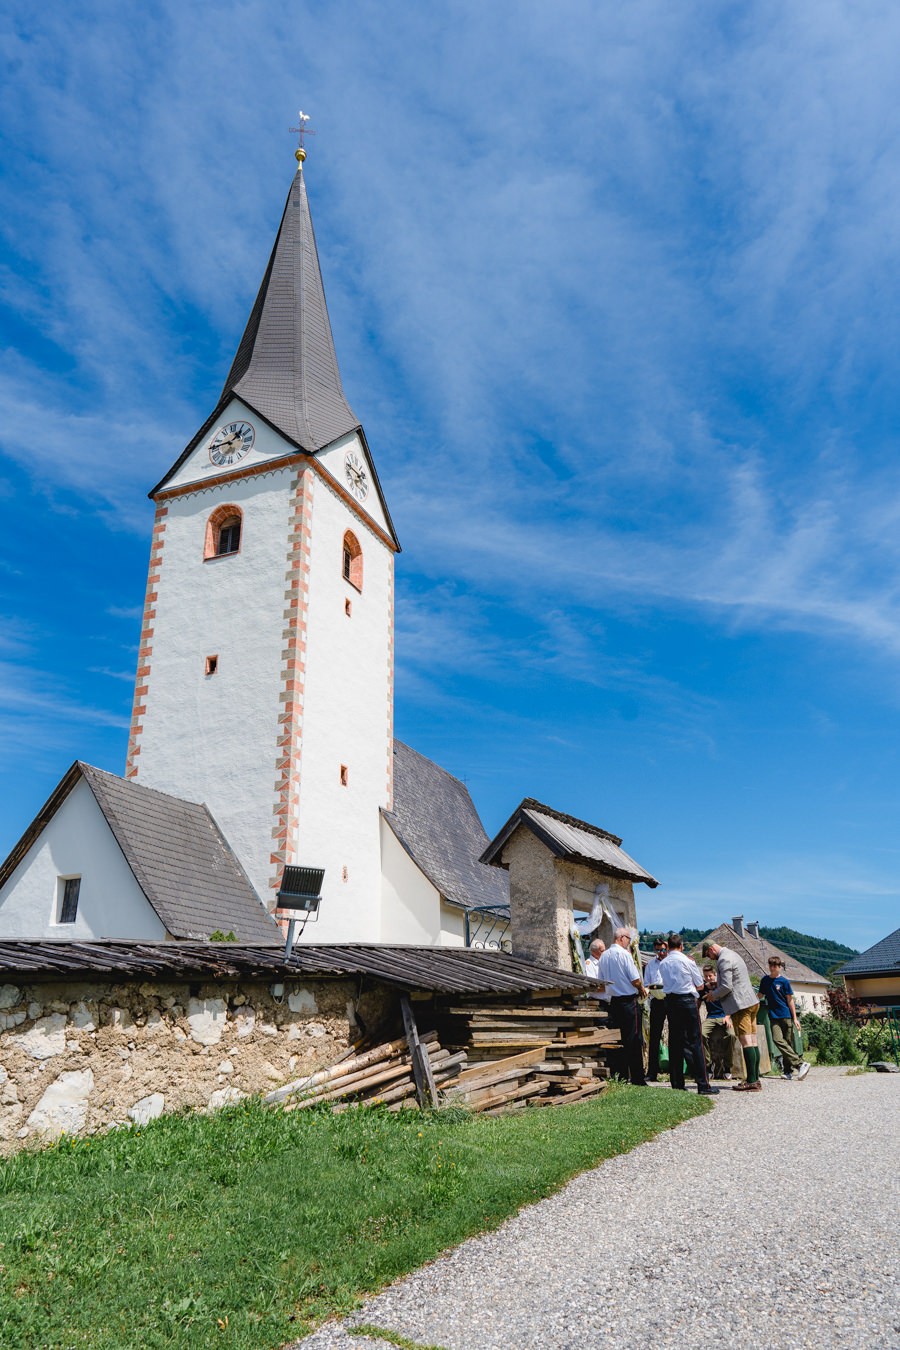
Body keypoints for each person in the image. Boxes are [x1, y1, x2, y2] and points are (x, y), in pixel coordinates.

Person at [659, 933, 719, 1095]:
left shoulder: (663, 964)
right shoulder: (687, 961)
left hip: (670, 1002)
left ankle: (677, 1083)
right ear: (682, 946)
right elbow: (700, 986)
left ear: (668, 946)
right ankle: (702, 1084)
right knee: (695, 1042)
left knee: (675, 1042)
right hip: (687, 1001)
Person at [702, 939, 762, 1092]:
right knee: (753, 1040)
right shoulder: (733, 954)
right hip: (751, 1001)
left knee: (746, 1041)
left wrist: (712, 995)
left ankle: (752, 1081)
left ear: (711, 949)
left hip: (741, 1005)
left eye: (708, 954)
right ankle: (754, 1078)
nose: (710, 957)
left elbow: (727, 986)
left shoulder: (723, 959)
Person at [597, 927, 647, 1086]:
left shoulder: (604, 956)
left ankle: (622, 1075)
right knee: (634, 1039)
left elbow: (602, 981)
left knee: (619, 1040)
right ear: (622, 938)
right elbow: (635, 979)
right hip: (628, 1001)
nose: (629, 942)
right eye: (628, 939)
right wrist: (641, 989)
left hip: (614, 1002)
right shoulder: (624, 954)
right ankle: (638, 1077)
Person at [759, 957, 810, 1081]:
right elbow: (759, 995)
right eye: (770, 965)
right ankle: (800, 1063)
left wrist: (795, 1018)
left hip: (786, 1015)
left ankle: (788, 1072)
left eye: (775, 966)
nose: (772, 968)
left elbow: (790, 1001)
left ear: (779, 967)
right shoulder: (765, 981)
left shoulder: (784, 982)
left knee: (787, 1044)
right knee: (777, 1040)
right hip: (773, 1016)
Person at [701, 963, 736, 1079]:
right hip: (711, 1017)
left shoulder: (722, 987)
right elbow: (697, 1003)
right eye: (706, 976)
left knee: (731, 1035)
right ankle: (708, 1064)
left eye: (710, 976)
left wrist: (728, 1016)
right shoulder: (703, 988)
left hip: (724, 1016)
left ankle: (727, 1065)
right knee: (701, 1034)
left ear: (715, 975)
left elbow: (731, 1002)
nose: (708, 978)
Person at [643, 936, 669, 1082]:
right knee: (654, 1036)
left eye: (663, 949)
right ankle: (652, 1071)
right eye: (658, 950)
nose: (661, 952)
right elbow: (647, 983)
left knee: (677, 1034)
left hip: (670, 999)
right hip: (657, 1000)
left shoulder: (671, 962)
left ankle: (676, 1070)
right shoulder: (650, 964)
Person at [584, 939, 610, 1005]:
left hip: (607, 1001)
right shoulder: (589, 964)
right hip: (597, 1002)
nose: (605, 952)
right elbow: (592, 986)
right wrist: (611, 987)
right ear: (594, 952)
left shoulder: (604, 962)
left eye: (605, 950)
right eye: (602, 951)